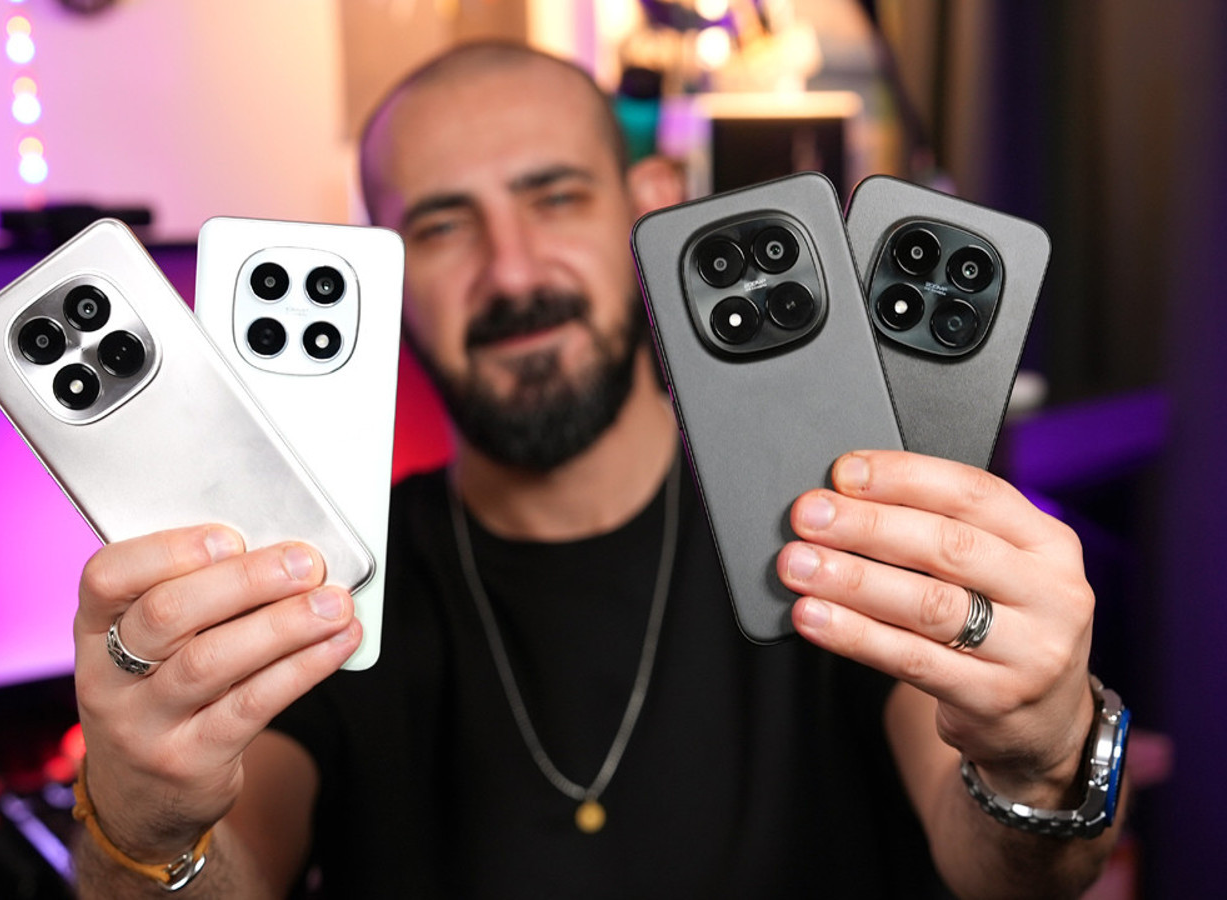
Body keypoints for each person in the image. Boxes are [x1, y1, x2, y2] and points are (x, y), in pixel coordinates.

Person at [68, 42, 1122, 898]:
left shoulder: (840, 521)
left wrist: (1039, 759)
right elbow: (226, 869)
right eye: (442, 224)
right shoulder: (316, 576)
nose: (512, 271)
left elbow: (1009, 871)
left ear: (650, 203)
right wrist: (140, 822)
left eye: (555, 197)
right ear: (383, 267)